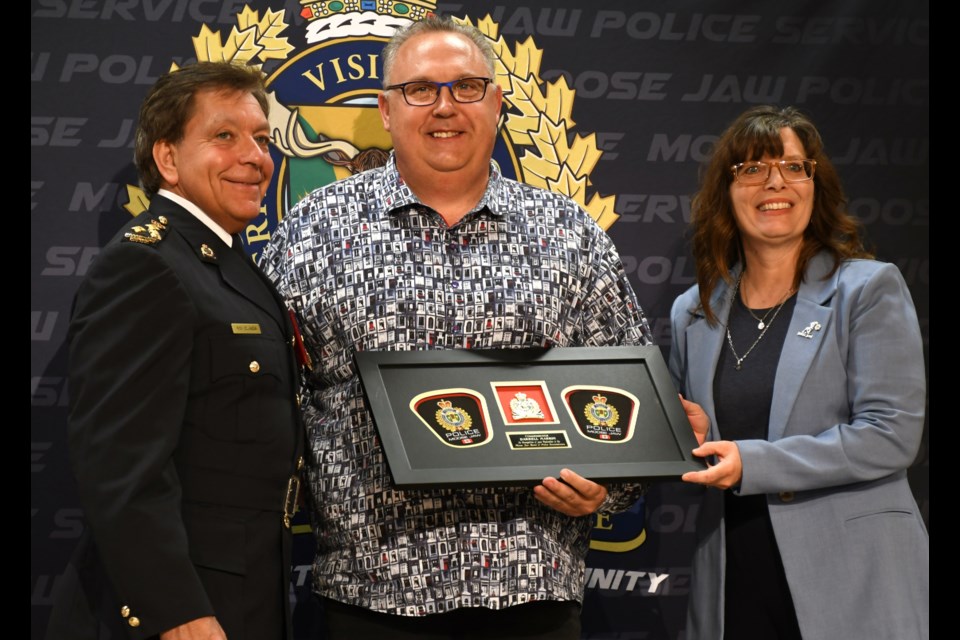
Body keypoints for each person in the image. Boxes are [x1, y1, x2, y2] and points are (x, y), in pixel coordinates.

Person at [258, 15, 652, 640]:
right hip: (372, 589)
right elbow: (267, 396)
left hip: (531, 586)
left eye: (467, 87)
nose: (445, 107)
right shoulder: (316, 230)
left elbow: (630, 396)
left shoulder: (565, 231)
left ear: (496, 103)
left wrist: (608, 485)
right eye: (420, 90)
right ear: (386, 110)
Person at [45, 61, 306, 640]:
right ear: (168, 159)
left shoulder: (223, 262)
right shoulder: (147, 265)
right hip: (180, 615)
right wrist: (177, 612)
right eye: (224, 136)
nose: (255, 157)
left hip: (242, 596)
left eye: (262, 140)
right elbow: (121, 469)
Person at [669, 105, 928, 640]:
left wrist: (752, 462)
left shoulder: (868, 289)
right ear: (727, 190)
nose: (775, 183)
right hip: (732, 576)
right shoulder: (693, 311)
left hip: (854, 578)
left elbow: (891, 436)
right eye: (753, 169)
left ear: (816, 184)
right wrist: (682, 439)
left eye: (793, 166)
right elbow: (699, 450)